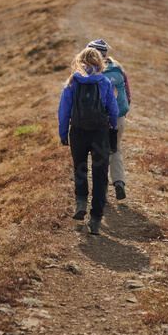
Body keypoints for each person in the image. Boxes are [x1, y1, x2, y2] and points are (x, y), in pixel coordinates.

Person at [58, 47, 119, 235]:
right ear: (99, 61)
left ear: (79, 60)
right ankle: (95, 220)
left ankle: (81, 203)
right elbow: (114, 110)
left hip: (78, 132)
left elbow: (63, 112)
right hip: (100, 133)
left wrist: (63, 134)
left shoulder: (72, 82)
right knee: (100, 176)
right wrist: (112, 130)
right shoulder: (104, 81)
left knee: (80, 169)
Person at [87, 39, 130, 200]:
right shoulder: (117, 68)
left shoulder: (88, 71)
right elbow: (127, 93)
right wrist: (123, 114)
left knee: (99, 154)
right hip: (118, 117)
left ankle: (102, 191)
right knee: (115, 149)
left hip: (98, 120)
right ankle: (119, 182)